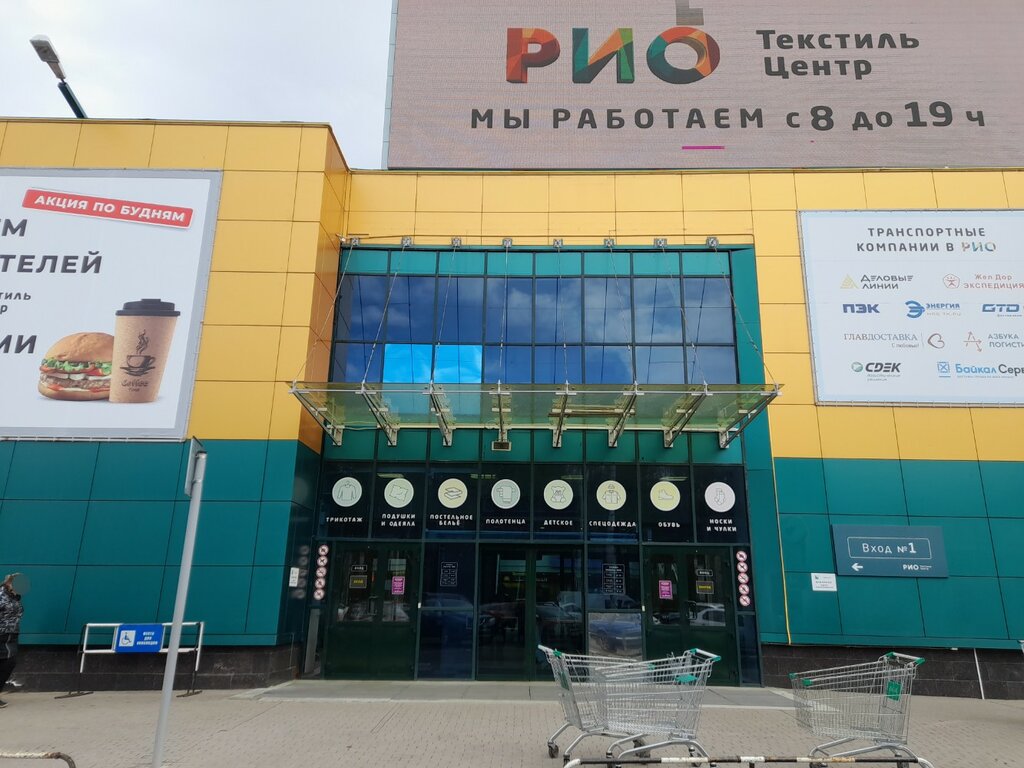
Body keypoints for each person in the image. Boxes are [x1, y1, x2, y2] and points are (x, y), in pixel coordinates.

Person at [0, 573, 25, 708]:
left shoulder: (14, 598)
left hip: (11, 634)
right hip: (2, 634)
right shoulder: (1, 595)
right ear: (8, 583)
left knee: (9, 662)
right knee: (8, 662)